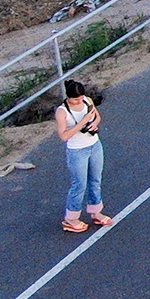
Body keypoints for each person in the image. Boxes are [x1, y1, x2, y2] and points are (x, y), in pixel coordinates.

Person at [54, 80, 109, 233]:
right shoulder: (62, 111)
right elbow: (64, 136)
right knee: (79, 184)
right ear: (68, 97)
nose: (78, 101)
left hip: (94, 145)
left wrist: (93, 124)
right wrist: (82, 123)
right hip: (77, 151)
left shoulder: (87, 101)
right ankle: (71, 218)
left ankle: (96, 211)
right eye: (75, 100)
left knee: (95, 180)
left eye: (80, 98)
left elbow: (97, 117)